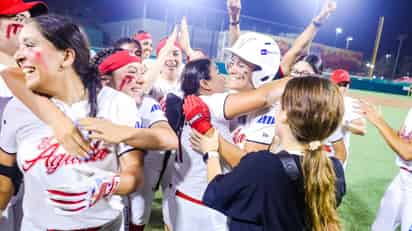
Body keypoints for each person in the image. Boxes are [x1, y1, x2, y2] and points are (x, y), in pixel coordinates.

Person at [0, 14, 144, 230]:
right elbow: (4, 177)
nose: (19, 55)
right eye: (20, 46)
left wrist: (106, 184)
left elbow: (133, 174)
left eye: (30, 45)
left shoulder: (116, 103)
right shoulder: (18, 108)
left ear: (67, 56)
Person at [188, 76, 346, 231]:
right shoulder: (334, 168)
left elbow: (216, 193)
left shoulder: (263, 165)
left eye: (280, 103)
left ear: (285, 114)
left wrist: (211, 152)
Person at [167, 58, 289, 231]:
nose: (224, 75)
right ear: (205, 84)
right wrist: (300, 80)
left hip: (178, 195)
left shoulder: (185, 101)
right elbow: (264, 96)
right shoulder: (210, 102)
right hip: (203, 205)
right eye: (217, 71)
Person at [85, 47, 178, 231]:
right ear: (105, 79)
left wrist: (121, 133)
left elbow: (169, 139)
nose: (142, 80)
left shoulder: (146, 103)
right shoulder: (83, 106)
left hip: (120, 198)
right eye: (132, 73)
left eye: (142, 72)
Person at [0, 0, 47, 229]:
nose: (28, 26)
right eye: (19, 19)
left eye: (30, 19)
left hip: (32, 195)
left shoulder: (39, 78)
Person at [359, 100, 412, 231]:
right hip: (403, 178)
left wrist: (378, 121)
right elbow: (400, 140)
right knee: (381, 227)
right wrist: (380, 120)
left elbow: (407, 152)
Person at [329, 69, 366, 168]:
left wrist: (344, 125)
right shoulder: (321, 99)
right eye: (340, 84)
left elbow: (362, 130)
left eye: (346, 84)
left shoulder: (351, 104)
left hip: (337, 154)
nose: (344, 87)